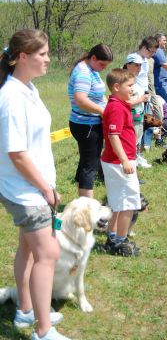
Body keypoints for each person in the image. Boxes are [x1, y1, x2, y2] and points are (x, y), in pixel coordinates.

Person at [0, 29, 71, 340]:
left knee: (29, 249)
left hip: (34, 186)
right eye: (42, 54)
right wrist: (45, 188)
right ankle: (43, 331)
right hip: (25, 190)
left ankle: (26, 311)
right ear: (23, 57)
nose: (48, 59)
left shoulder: (28, 89)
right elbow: (16, 153)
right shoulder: (11, 97)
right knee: (49, 253)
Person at [101, 68, 141, 257]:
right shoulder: (116, 107)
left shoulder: (119, 103)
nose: (133, 89)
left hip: (116, 161)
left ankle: (112, 236)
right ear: (116, 87)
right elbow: (113, 135)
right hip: (119, 162)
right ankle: (121, 242)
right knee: (128, 203)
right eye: (130, 86)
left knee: (117, 202)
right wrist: (125, 160)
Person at [68, 44, 113, 198]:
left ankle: (82, 198)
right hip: (86, 125)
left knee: (86, 161)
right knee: (90, 165)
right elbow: (81, 100)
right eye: (102, 64)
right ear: (93, 58)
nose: (103, 68)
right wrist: (103, 111)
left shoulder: (91, 69)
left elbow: (98, 95)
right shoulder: (83, 73)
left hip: (89, 123)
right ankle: (87, 206)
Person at [124, 52, 152, 168]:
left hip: (138, 115)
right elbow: (124, 103)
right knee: (131, 140)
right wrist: (141, 99)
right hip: (130, 116)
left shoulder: (136, 79)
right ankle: (131, 162)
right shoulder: (124, 80)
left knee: (138, 138)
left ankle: (137, 157)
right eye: (136, 65)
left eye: (140, 65)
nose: (139, 68)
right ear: (128, 65)